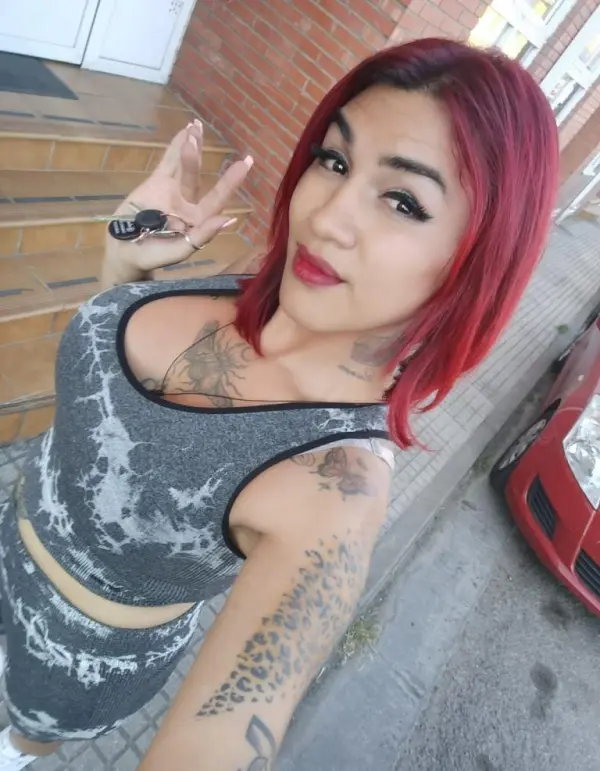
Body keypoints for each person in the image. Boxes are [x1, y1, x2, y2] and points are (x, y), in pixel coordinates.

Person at [0, 36, 558, 770]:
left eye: (403, 200)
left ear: (478, 260)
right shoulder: (256, 285)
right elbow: (102, 411)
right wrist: (124, 261)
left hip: (63, 670)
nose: (325, 217)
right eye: (335, 161)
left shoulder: (332, 491)